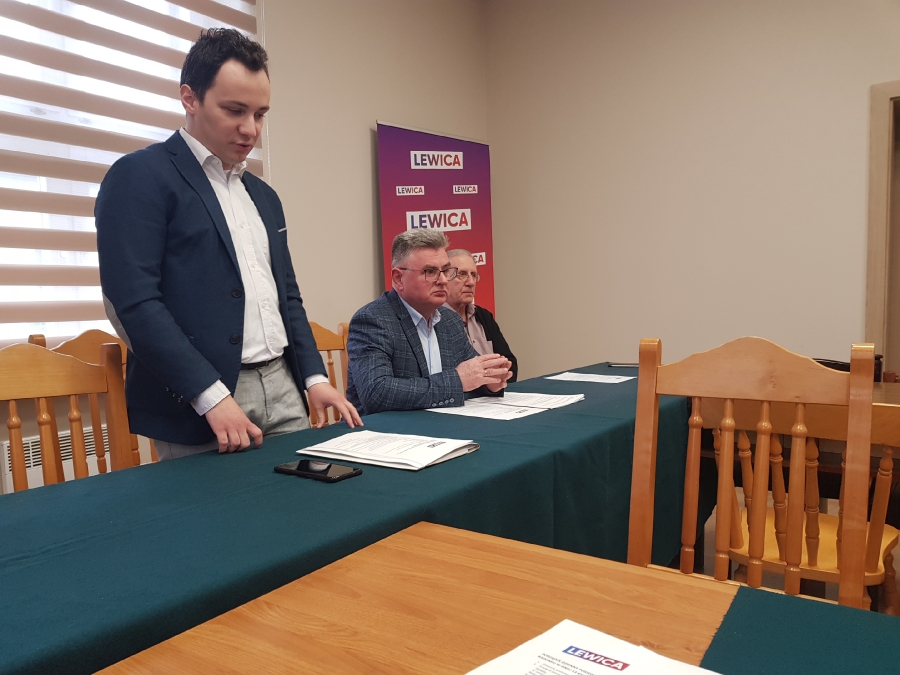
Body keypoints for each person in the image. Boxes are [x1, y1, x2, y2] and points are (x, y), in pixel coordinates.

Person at [96, 28, 361, 460]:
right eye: (235, 110)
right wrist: (209, 394)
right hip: (202, 401)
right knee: (216, 507)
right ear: (190, 98)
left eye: (260, 114)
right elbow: (133, 302)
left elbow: (286, 296)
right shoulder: (140, 177)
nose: (250, 129)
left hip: (283, 387)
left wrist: (314, 377)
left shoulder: (264, 196)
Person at [345, 231, 513, 416]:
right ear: (398, 278)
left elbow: (471, 377)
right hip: (386, 430)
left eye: (446, 271)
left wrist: (490, 381)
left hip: (441, 424)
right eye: (430, 272)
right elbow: (377, 393)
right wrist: (457, 380)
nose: (443, 281)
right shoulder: (373, 320)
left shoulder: (450, 320)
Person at [444, 249, 518, 382]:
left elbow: (509, 363)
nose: (471, 282)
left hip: (494, 392)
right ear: (443, 279)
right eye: (462, 274)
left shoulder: (483, 317)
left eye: (473, 275)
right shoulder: (434, 320)